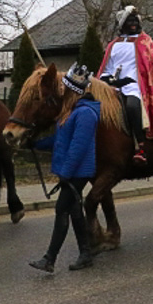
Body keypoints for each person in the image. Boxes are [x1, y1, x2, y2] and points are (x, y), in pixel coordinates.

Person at [29, 63, 99, 273]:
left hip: (78, 172)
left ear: (73, 91)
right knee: (75, 211)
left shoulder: (85, 114)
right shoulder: (70, 111)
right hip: (71, 172)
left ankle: (50, 259)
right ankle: (85, 254)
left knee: (61, 209)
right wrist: (35, 144)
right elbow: (59, 141)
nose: (62, 90)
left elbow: (78, 148)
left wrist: (66, 174)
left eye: (66, 88)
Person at [97, 5, 153, 165]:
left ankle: (140, 147)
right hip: (113, 85)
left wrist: (130, 80)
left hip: (136, 85)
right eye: (129, 21)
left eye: (135, 21)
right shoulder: (113, 45)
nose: (133, 24)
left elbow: (150, 67)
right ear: (122, 24)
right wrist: (108, 80)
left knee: (132, 106)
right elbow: (106, 68)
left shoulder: (145, 41)